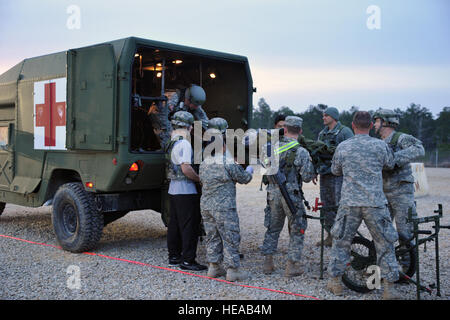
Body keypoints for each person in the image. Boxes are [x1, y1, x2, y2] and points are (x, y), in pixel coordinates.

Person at [327, 111, 401, 300]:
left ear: (353, 126)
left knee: (341, 242)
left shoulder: (343, 147)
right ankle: (388, 289)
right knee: (384, 244)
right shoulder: (380, 146)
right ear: (370, 126)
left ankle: (335, 283)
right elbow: (390, 165)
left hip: (350, 203)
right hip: (375, 203)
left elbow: (335, 171)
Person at [260, 116, 316, 277]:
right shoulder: (301, 151)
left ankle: (268, 263)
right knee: (297, 228)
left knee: (273, 228)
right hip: (291, 194)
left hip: (272, 193)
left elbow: (264, 170)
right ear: (300, 131)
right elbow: (306, 177)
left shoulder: (268, 149)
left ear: (284, 130)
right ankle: (292, 265)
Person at [199, 120, 254, 282]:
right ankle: (232, 270)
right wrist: (249, 169)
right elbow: (244, 178)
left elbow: (203, 181)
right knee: (230, 236)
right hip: (224, 207)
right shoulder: (227, 162)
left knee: (212, 236)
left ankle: (214, 267)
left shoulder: (203, 163)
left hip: (206, 206)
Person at [373, 109, 425, 243]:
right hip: (382, 192)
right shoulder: (378, 142)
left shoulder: (400, 138)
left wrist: (394, 160)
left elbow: (419, 149)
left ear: (385, 122)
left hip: (401, 191)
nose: (374, 124)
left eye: (377, 121)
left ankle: (407, 263)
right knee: (381, 229)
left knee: (405, 230)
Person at [165, 111, 207, 271]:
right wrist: (199, 179)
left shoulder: (171, 142)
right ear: (189, 127)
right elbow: (186, 168)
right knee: (190, 226)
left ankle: (174, 257)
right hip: (186, 191)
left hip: (172, 189)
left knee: (174, 225)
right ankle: (188, 260)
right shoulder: (184, 144)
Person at [315, 107, 353, 247]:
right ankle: (330, 236)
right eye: (323, 115)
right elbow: (317, 153)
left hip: (340, 176)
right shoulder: (322, 134)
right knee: (327, 206)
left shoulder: (345, 132)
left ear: (334, 117)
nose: (323, 118)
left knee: (340, 206)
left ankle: (343, 238)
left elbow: (351, 152)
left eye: (326, 115)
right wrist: (315, 170)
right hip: (325, 174)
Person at [158, 84, 209, 150]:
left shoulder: (194, 102)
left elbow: (204, 119)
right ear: (188, 99)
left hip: (172, 118)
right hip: (159, 113)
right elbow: (163, 117)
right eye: (194, 105)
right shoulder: (173, 98)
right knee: (168, 136)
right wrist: (171, 133)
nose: (196, 107)